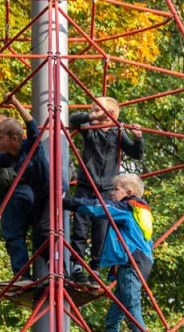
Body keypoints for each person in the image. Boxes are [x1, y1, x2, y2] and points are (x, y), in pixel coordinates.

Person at [70, 172, 155, 332]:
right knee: (114, 316)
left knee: (132, 305)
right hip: (138, 263)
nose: (111, 193)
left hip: (131, 264)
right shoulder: (142, 211)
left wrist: (70, 203)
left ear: (129, 192)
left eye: (116, 189)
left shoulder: (127, 208)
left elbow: (100, 208)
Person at [67, 96, 144, 272]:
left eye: (96, 110)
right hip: (87, 184)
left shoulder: (117, 132)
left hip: (107, 189)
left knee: (100, 230)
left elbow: (135, 153)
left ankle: (95, 267)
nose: (92, 113)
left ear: (109, 114)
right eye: (92, 110)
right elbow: (74, 119)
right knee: (80, 225)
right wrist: (92, 117)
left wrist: (138, 139)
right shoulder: (90, 128)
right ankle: (77, 264)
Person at [0, 114, 52, 282]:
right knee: (37, 231)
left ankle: (25, 274)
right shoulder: (11, 148)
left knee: (16, 233)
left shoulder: (15, 147)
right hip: (22, 191)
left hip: (15, 189)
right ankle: (47, 271)